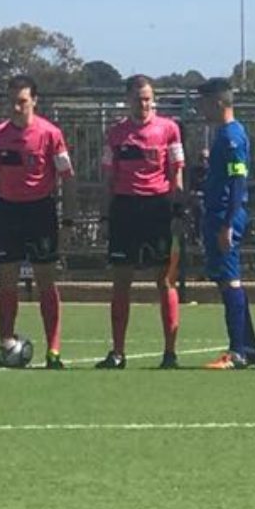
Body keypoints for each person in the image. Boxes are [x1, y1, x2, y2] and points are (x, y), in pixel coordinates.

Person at [0, 75, 78, 370]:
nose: (16, 107)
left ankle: (54, 351)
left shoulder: (50, 134)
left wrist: (68, 222)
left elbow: (68, 179)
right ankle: (6, 344)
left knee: (46, 282)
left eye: (22, 101)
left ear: (34, 100)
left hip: (40, 212)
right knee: (6, 284)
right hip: (7, 212)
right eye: (12, 102)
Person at [97, 74, 187, 370]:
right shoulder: (115, 134)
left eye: (148, 98)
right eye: (138, 98)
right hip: (125, 209)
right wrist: (106, 216)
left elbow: (176, 172)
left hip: (158, 209)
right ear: (128, 100)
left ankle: (170, 353)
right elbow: (108, 177)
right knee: (121, 283)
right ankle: (118, 352)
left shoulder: (170, 130)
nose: (144, 103)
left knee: (165, 281)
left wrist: (177, 211)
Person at [196, 78, 255, 369]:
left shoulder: (231, 137)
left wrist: (227, 225)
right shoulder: (224, 135)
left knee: (230, 280)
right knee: (226, 280)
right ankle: (249, 346)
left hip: (226, 215)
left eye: (204, 102)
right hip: (218, 213)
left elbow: (238, 180)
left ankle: (238, 351)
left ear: (218, 103)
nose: (200, 108)